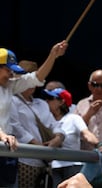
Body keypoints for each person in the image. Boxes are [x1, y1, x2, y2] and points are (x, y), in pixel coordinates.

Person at [0, 41, 67, 187]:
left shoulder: (8, 87)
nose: (11, 74)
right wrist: (3, 135)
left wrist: (53, 55)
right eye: (8, 69)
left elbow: (35, 77)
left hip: (7, 150)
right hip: (7, 144)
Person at [44, 87, 102, 188]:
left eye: (51, 98)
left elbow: (86, 134)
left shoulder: (73, 118)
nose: (47, 101)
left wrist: (100, 145)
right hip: (55, 168)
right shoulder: (49, 123)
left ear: (61, 102)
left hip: (72, 167)